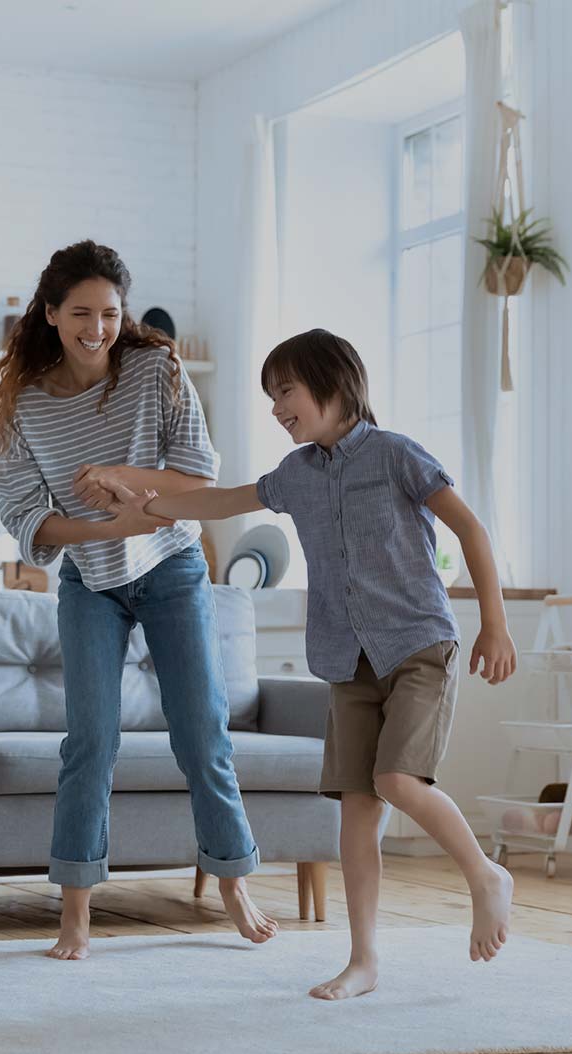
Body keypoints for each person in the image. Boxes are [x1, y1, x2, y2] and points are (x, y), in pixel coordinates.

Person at [107, 328, 516, 999]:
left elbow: (470, 528)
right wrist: (147, 505)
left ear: (334, 383)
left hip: (417, 645)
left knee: (396, 780)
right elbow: (224, 500)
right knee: (356, 814)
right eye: (270, 396)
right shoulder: (296, 474)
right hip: (347, 660)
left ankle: (483, 874)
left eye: (285, 391)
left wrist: (495, 625)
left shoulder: (396, 456)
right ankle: (363, 961)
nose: (276, 408)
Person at [0, 239, 278, 961]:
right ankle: (75, 911)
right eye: (81, 312)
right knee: (90, 743)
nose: (97, 328)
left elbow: (199, 473)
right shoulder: (24, 406)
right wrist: (110, 522)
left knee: (202, 733)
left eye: (110, 313)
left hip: (171, 568)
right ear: (50, 314)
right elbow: (24, 518)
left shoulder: (156, 369)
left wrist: (117, 476)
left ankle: (232, 879)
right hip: (90, 580)